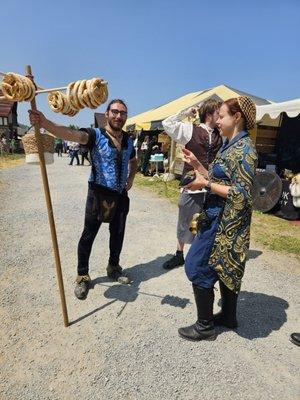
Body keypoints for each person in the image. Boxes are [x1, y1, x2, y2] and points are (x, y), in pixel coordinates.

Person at [29, 99, 138, 300]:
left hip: (121, 196)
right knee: (88, 235)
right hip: (98, 194)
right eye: (114, 112)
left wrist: (130, 178)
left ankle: (113, 267)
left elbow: (134, 161)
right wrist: (45, 123)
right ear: (106, 114)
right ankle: (82, 275)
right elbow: (71, 134)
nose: (118, 116)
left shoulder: (129, 140)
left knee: (118, 233)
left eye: (122, 113)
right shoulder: (95, 135)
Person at [177, 96, 258, 341]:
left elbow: (242, 194)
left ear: (237, 117)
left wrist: (207, 184)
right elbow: (219, 178)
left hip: (224, 221)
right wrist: (198, 166)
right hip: (216, 216)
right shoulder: (229, 145)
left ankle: (205, 326)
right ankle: (228, 317)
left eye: (222, 116)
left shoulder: (245, 150)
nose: (217, 121)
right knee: (223, 268)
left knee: (195, 265)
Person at [162, 99, 222, 269]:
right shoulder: (190, 130)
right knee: (185, 219)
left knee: (208, 222)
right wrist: (186, 113)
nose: (221, 116)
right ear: (209, 114)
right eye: (218, 112)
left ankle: (203, 255)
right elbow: (167, 123)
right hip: (192, 183)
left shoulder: (221, 134)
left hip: (212, 185)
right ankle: (179, 254)